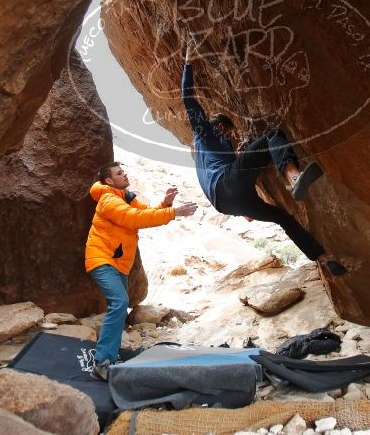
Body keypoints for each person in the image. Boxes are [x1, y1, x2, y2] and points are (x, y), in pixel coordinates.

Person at [180, 37, 347, 276]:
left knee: (283, 218)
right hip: (226, 184)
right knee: (272, 136)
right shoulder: (205, 135)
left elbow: (243, 172)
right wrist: (188, 64)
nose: (232, 137)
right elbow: (189, 100)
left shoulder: (211, 155)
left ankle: (323, 258)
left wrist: (247, 207)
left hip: (229, 202)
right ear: (218, 127)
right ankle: (294, 177)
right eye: (229, 132)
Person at [84, 161, 198, 380]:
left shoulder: (125, 198)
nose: (124, 175)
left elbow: (146, 212)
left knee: (119, 304)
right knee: (119, 303)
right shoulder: (108, 200)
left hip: (117, 263)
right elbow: (135, 219)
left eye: (124, 172)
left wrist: (165, 203)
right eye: (119, 173)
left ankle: (109, 356)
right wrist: (174, 212)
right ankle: (102, 362)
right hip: (101, 259)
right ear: (109, 181)